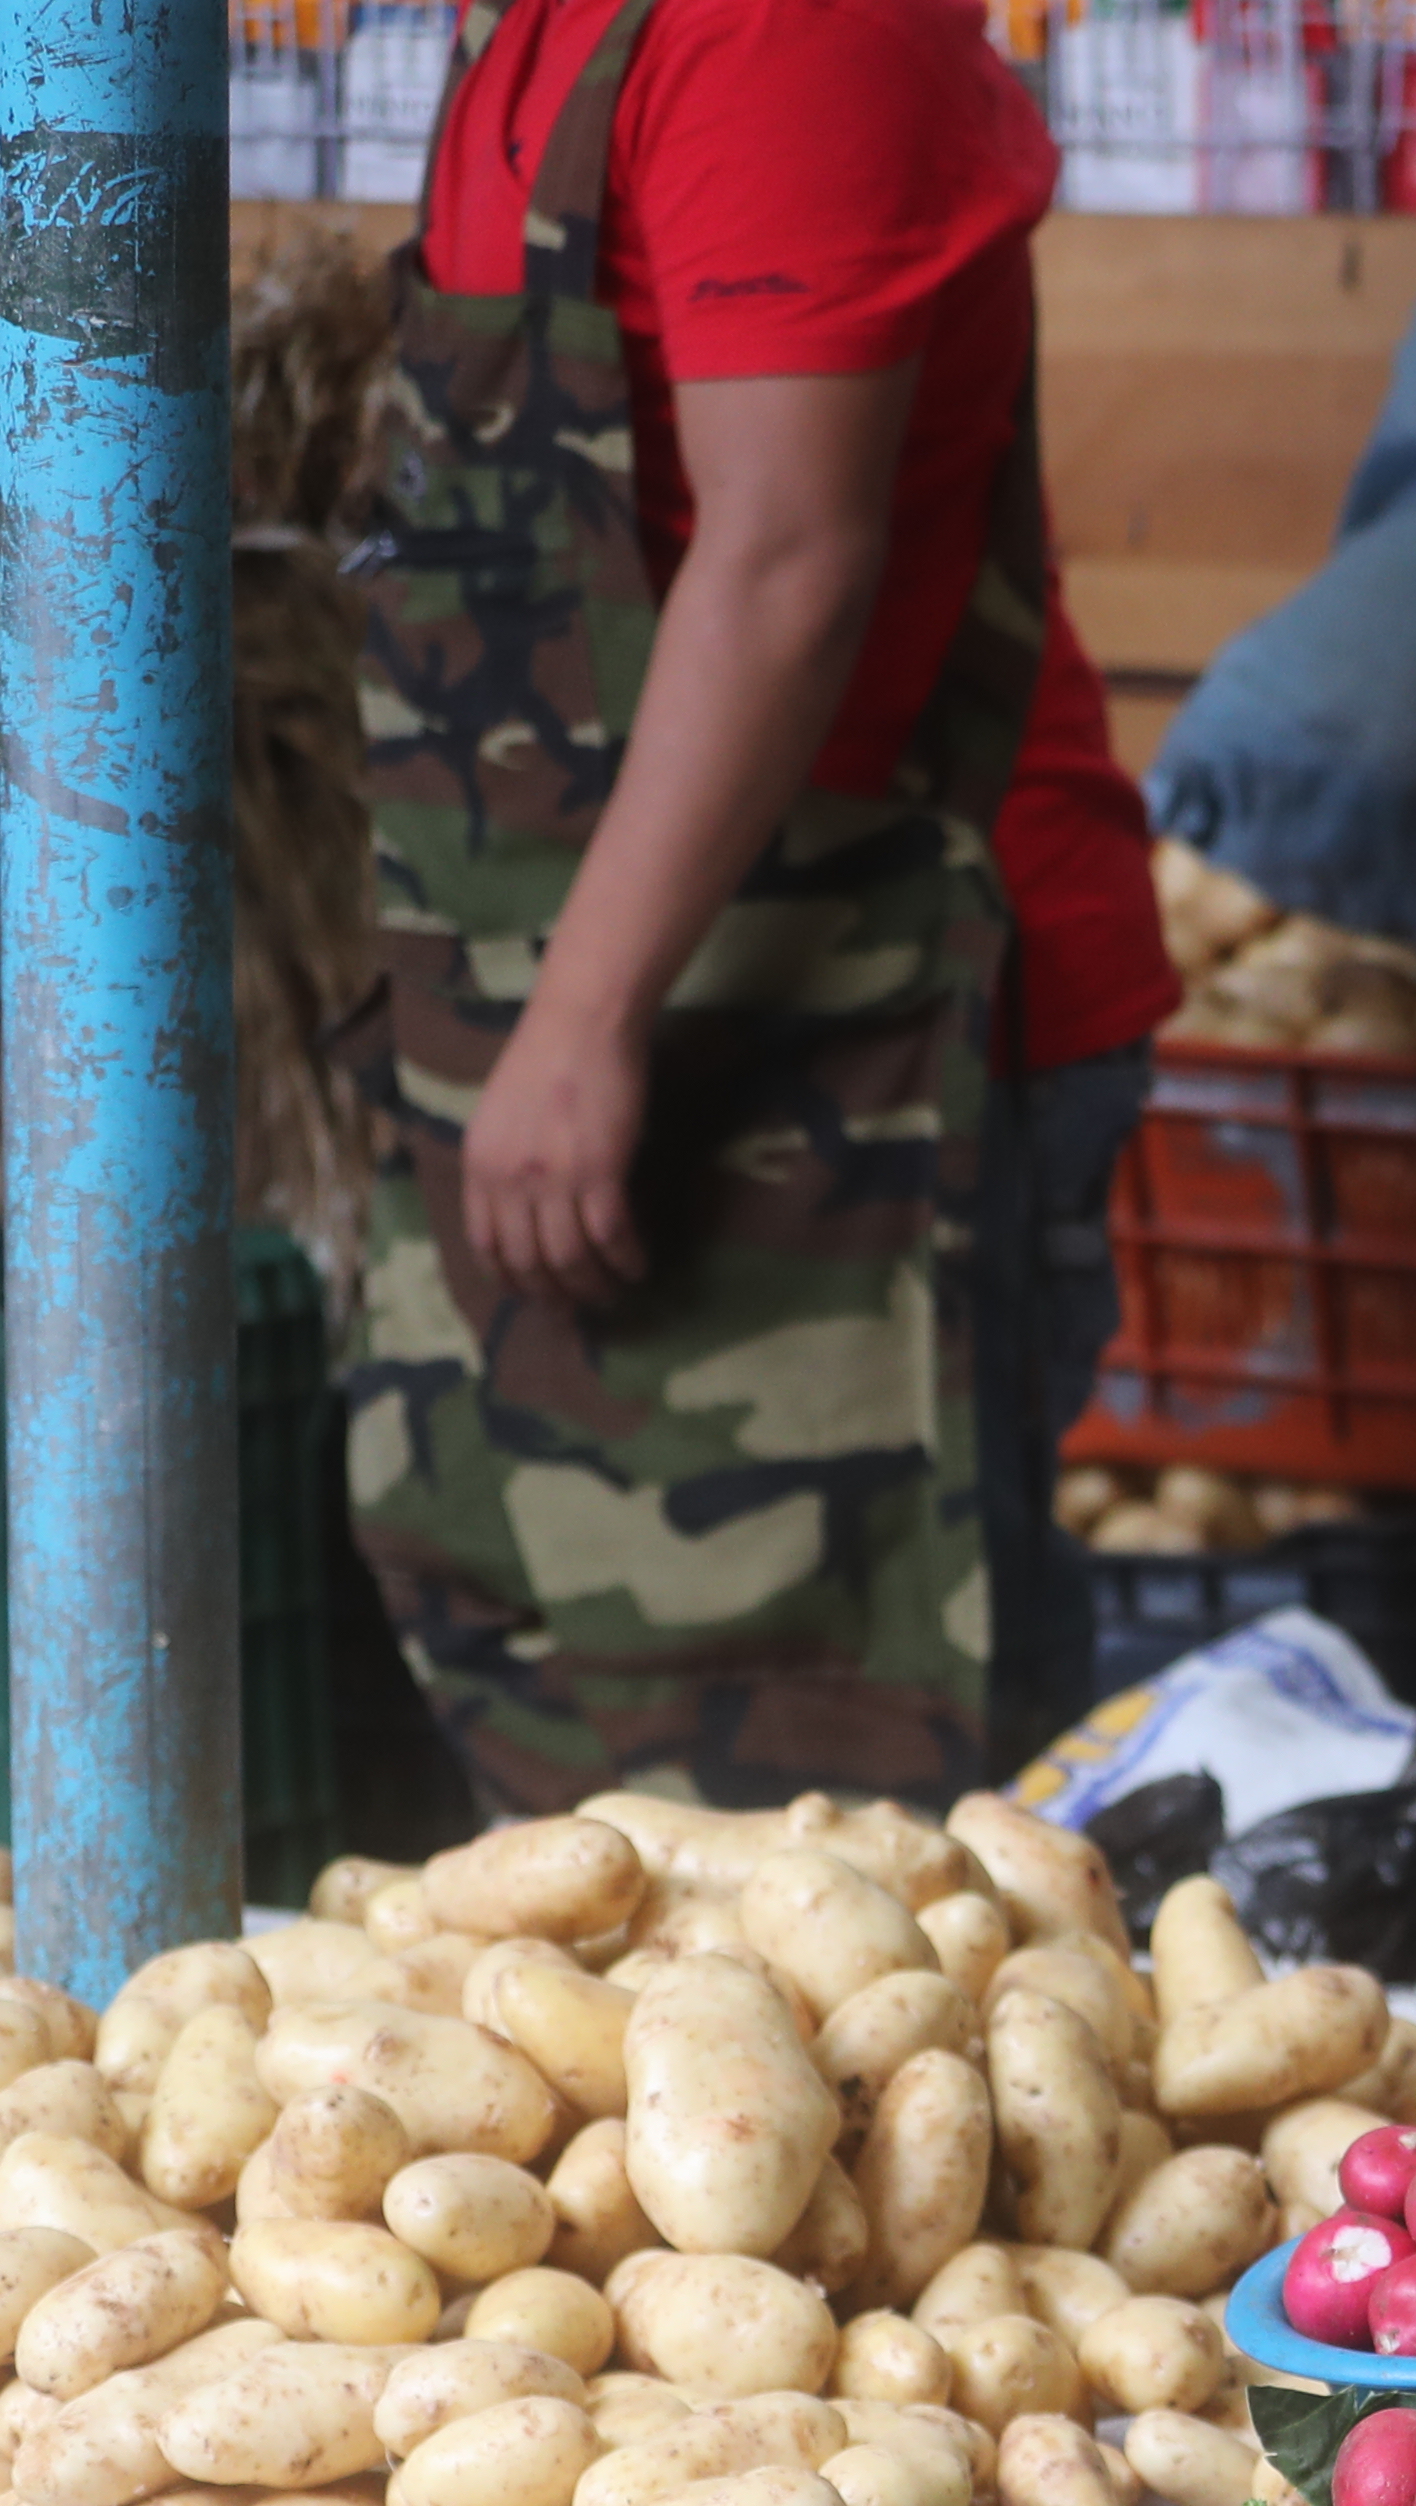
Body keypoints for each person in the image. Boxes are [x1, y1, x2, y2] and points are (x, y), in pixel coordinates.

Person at [337, 0, 1178, 1812]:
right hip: (613, 1032)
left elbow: (792, 552)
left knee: (874, 1814)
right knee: (598, 1793)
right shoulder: (536, 48)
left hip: (861, 1049)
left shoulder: (788, 27)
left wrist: (579, 1020)